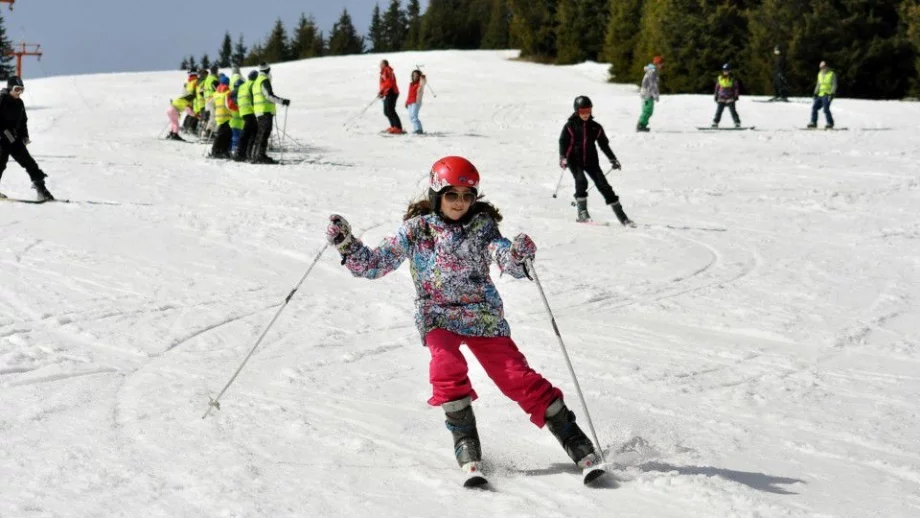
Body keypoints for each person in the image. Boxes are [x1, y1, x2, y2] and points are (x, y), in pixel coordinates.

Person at [324, 156, 603, 482]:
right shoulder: (416, 231)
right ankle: (466, 442)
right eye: (451, 195)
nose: (460, 203)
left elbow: (506, 259)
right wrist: (346, 243)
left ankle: (574, 440)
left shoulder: (482, 228)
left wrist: (517, 255)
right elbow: (373, 264)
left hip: (481, 314)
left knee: (516, 377)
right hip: (437, 315)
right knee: (444, 366)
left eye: (467, 196)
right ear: (436, 194)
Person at [559, 96, 633, 226]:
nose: (586, 114)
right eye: (582, 111)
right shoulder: (570, 126)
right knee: (581, 181)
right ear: (577, 111)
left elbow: (603, 144)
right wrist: (563, 157)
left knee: (604, 186)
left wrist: (612, 159)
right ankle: (582, 213)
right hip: (574, 160)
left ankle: (623, 217)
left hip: (591, 161)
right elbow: (563, 142)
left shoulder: (596, 127)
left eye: (588, 110)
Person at [0, 76, 54, 201]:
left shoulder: (19, 103)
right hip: (2, 139)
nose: (19, 92)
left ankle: (42, 190)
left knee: (30, 164)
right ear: (10, 88)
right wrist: (4, 131)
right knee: (0, 163)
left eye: (21, 90)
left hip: (15, 139)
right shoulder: (2, 99)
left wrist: (24, 136)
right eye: (17, 89)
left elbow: (23, 121)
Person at [251, 62, 291, 164]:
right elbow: (269, 95)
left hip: (259, 111)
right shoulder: (264, 80)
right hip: (265, 111)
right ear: (268, 70)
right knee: (264, 133)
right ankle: (260, 156)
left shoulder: (256, 82)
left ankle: (255, 155)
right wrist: (283, 101)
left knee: (260, 133)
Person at [233, 70, 258, 162]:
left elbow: (233, 94)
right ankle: (243, 154)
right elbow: (254, 98)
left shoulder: (242, 86)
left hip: (243, 111)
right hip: (250, 111)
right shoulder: (253, 85)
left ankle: (244, 153)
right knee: (249, 133)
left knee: (250, 132)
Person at [208, 76, 233, 159]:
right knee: (222, 134)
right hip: (226, 116)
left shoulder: (215, 93)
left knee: (226, 133)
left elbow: (209, 103)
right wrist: (234, 109)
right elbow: (228, 105)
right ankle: (216, 151)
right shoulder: (227, 93)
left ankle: (222, 151)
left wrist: (213, 111)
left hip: (218, 116)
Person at [808, 60, 837, 129]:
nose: (823, 68)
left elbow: (834, 85)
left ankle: (830, 123)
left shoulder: (832, 74)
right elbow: (818, 84)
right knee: (814, 107)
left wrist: (832, 93)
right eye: (821, 67)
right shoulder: (820, 74)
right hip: (820, 94)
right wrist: (815, 93)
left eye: (824, 67)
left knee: (826, 109)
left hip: (828, 94)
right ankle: (813, 122)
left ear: (827, 66)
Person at [636, 56, 662, 132]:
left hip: (647, 93)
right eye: (661, 64)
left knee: (647, 110)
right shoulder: (653, 72)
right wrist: (655, 95)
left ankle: (643, 125)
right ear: (657, 64)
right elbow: (652, 85)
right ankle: (641, 125)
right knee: (648, 110)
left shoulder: (652, 71)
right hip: (648, 94)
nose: (662, 66)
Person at [712, 63, 741, 128]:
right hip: (721, 97)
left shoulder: (733, 79)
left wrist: (736, 96)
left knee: (733, 111)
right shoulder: (720, 78)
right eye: (724, 70)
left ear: (730, 70)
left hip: (730, 97)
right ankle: (715, 122)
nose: (725, 72)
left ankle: (737, 122)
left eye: (727, 70)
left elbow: (736, 88)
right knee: (719, 111)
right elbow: (717, 88)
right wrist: (716, 95)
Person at [379, 59, 403, 134]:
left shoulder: (387, 70)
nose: (379, 65)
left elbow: (389, 82)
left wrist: (382, 91)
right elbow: (384, 84)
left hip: (392, 92)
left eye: (381, 64)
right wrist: (382, 93)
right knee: (386, 111)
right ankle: (393, 126)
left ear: (384, 64)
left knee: (390, 110)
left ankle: (398, 128)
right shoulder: (383, 71)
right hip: (387, 93)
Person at [405, 69, 426, 134]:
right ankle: (416, 129)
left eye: (416, 76)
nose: (415, 77)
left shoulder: (420, 84)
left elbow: (423, 82)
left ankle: (418, 129)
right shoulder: (411, 84)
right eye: (413, 75)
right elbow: (409, 94)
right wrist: (407, 102)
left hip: (416, 101)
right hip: (410, 102)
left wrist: (422, 77)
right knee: (411, 117)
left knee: (414, 116)